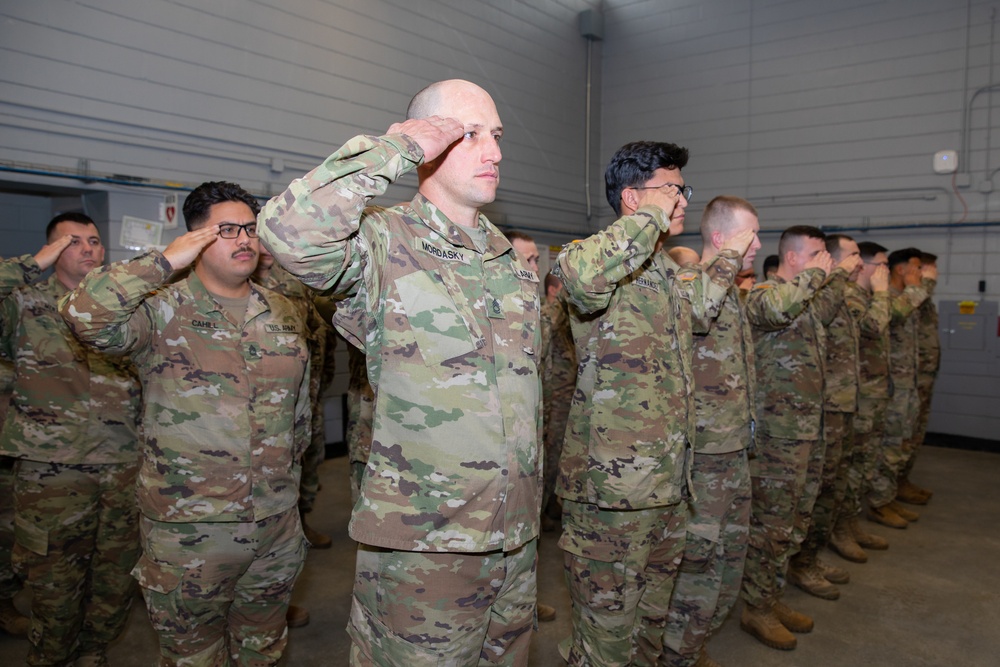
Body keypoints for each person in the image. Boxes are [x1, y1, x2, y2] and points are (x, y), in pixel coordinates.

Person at [258, 79, 543, 665]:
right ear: (429, 139)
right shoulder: (384, 243)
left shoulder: (510, 262)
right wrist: (398, 147)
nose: (494, 151)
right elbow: (289, 232)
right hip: (427, 546)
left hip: (516, 538)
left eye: (497, 135)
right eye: (470, 134)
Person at [60, 182, 311, 666]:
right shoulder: (159, 310)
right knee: (193, 657)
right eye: (228, 230)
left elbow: (296, 412)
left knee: (264, 650)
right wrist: (163, 262)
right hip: (191, 532)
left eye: (252, 230)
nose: (245, 241)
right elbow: (83, 314)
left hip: (275, 526)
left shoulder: (281, 310)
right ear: (194, 239)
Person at [554, 141, 753, 666]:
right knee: (605, 644)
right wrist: (650, 217)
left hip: (668, 487)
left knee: (647, 633)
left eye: (683, 189)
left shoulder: (664, 272)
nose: (683, 199)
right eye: (671, 189)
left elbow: (703, 314)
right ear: (630, 197)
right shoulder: (585, 255)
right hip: (612, 496)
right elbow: (583, 279)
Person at [1, 214, 142, 666]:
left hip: (123, 465)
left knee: (114, 581)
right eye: (72, 241)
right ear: (52, 250)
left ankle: (94, 654)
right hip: (52, 471)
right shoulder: (24, 303)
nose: (88, 248)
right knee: (54, 584)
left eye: (95, 241)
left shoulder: (126, 307)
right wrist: (33, 264)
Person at [738, 225, 855, 651]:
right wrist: (819, 275)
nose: (825, 260)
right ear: (793, 258)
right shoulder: (764, 294)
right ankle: (756, 608)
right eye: (818, 253)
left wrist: (833, 275)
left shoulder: (806, 298)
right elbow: (776, 311)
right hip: (776, 436)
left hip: (809, 429)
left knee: (795, 522)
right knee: (772, 526)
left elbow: (823, 309)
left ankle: (769, 595)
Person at [659, 196, 761, 667]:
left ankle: (692, 642)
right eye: (750, 235)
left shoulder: (733, 290)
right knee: (695, 561)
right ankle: (677, 650)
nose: (758, 244)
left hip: (735, 448)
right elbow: (693, 315)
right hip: (703, 456)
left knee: (729, 557)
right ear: (721, 239)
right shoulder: (689, 283)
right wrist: (726, 263)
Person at [787, 234, 863, 600]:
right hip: (815, 409)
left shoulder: (830, 289)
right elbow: (818, 314)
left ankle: (810, 559)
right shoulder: (808, 293)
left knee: (827, 487)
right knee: (808, 496)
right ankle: (800, 566)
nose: (857, 262)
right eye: (852, 256)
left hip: (833, 405)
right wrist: (835, 277)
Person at [866, 248, 932, 529]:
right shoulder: (887, 299)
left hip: (906, 384)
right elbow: (893, 317)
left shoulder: (904, 297)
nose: (920, 273)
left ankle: (889, 495)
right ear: (900, 269)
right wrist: (919, 289)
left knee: (901, 441)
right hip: (890, 385)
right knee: (889, 444)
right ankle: (879, 502)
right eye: (916, 268)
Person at [841, 241, 892, 552]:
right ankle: (841, 530)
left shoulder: (867, 298)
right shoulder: (852, 298)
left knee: (863, 463)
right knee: (851, 467)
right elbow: (872, 327)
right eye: (881, 265)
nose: (883, 272)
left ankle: (850, 523)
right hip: (855, 397)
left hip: (871, 393)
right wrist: (883, 292)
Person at [898, 251, 940, 504]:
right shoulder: (907, 297)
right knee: (902, 437)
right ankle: (891, 489)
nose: (931, 274)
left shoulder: (920, 297)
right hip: (905, 378)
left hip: (920, 374)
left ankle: (903, 481)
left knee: (914, 434)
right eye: (926, 269)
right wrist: (925, 283)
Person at [538, 270, 576, 532]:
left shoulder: (564, 318)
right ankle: (537, 519)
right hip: (553, 404)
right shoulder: (546, 314)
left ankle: (551, 507)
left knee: (560, 461)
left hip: (566, 402)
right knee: (549, 462)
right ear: (553, 290)